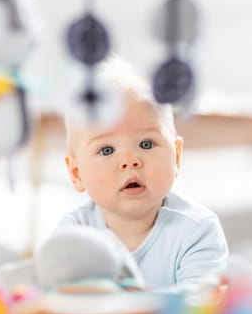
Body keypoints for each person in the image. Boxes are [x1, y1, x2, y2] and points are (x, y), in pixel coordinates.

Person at [56, 56, 229, 290]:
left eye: (146, 144)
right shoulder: (75, 233)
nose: (130, 161)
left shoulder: (197, 230)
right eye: (107, 150)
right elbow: (61, 300)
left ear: (176, 157)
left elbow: (202, 304)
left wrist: (137, 301)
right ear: (77, 173)